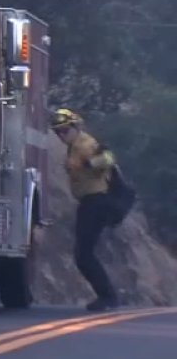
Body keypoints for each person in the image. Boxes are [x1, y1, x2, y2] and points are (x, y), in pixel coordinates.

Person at [50, 107, 120, 311]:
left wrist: (92, 163)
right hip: (88, 202)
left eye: (64, 130)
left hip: (96, 202)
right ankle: (108, 296)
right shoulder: (73, 146)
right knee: (83, 253)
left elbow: (108, 158)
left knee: (84, 254)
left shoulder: (85, 143)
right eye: (57, 132)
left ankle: (108, 297)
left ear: (75, 127)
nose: (61, 135)